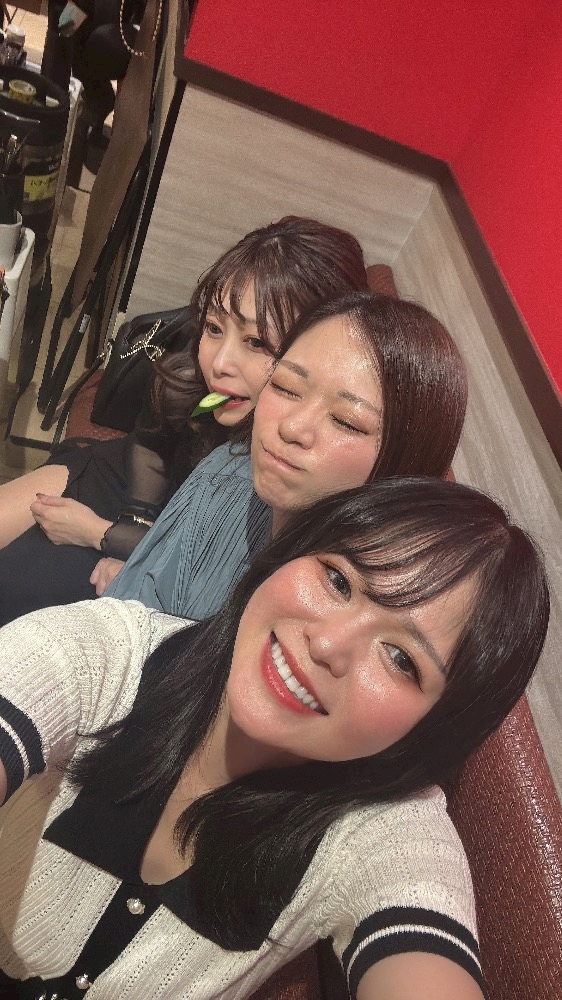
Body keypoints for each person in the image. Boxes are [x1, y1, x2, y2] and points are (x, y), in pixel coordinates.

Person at [0, 477, 549, 998]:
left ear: (437, 725)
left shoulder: (384, 831)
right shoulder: (108, 654)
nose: (328, 645)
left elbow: (420, 933)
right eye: (339, 580)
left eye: (402, 659)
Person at [0, 217, 368, 624]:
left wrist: (105, 538)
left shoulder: (286, 466)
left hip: (171, 535)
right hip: (127, 480)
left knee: (18, 596)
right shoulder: (193, 384)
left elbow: (212, 582)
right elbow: (149, 443)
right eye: (214, 327)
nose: (219, 363)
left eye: (256, 341)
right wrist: (133, 520)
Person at [104, 290, 467, 618]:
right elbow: (127, 621)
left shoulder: (378, 619)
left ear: (408, 464)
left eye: (347, 421)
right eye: (286, 387)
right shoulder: (224, 476)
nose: (291, 427)